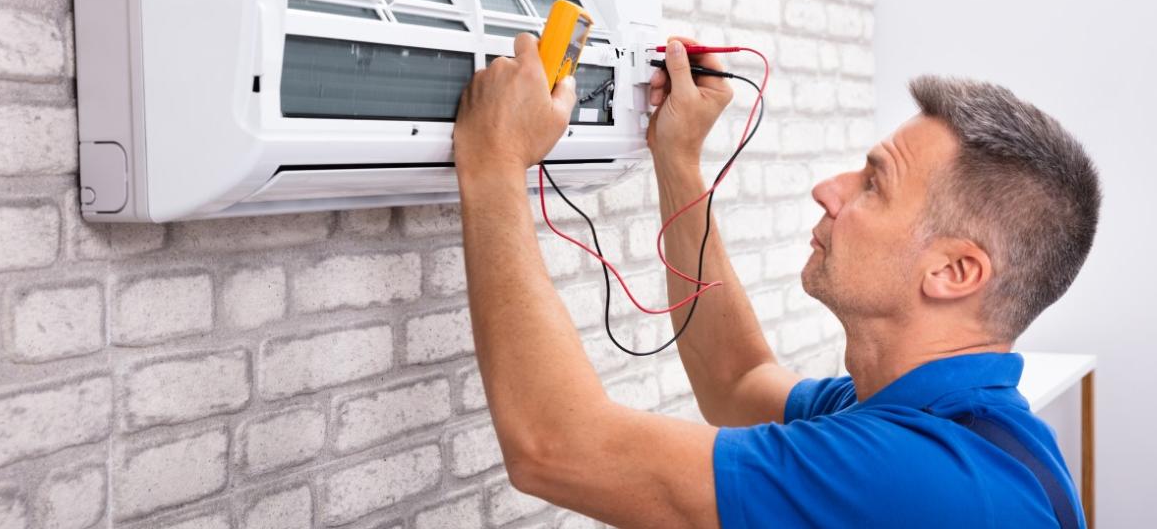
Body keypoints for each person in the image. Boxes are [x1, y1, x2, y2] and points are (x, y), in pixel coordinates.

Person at [449, 34, 1099, 527]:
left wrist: (495, 164)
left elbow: (556, 448)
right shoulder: (937, 417)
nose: (828, 189)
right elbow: (738, 383)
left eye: (874, 184)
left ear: (954, 272)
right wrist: (676, 158)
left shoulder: (919, 475)